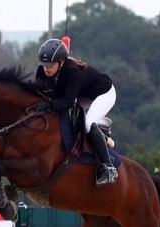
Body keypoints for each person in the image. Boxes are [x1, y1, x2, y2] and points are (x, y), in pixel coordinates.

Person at [33, 38, 118, 186]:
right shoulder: (43, 70)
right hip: (83, 94)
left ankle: (108, 167)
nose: (46, 68)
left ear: (61, 62)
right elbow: (39, 90)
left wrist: (47, 105)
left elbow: (67, 102)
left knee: (88, 123)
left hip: (103, 93)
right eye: (44, 64)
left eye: (51, 65)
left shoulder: (72, 72)